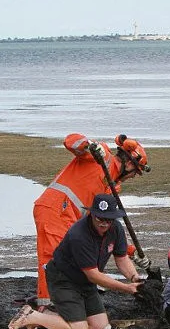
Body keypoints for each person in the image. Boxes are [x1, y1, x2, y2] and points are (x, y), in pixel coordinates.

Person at [32, 133, 150, 313]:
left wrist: (131, 252)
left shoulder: (111, 187)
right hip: (55, 210)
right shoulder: (101, 157)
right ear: (129, 164)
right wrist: (89, 146)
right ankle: (47, 307)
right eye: (136, 172)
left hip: (71, 219)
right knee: (54, 260)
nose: (133, 177)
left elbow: (105, 228)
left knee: (80, 255)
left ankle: (70, 298)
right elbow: (70, 142)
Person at [10, 193, 143, 329]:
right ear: (92, 214)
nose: (103, 223)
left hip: (85, 282)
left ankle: (44, 314)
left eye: (108, 219)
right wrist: (126, 288)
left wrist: (134, 278)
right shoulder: (79, 235)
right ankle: (31, 316)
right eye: (99, 218)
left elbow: (122, 259)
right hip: (64, 280)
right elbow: (93, 275)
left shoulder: (116, 229)